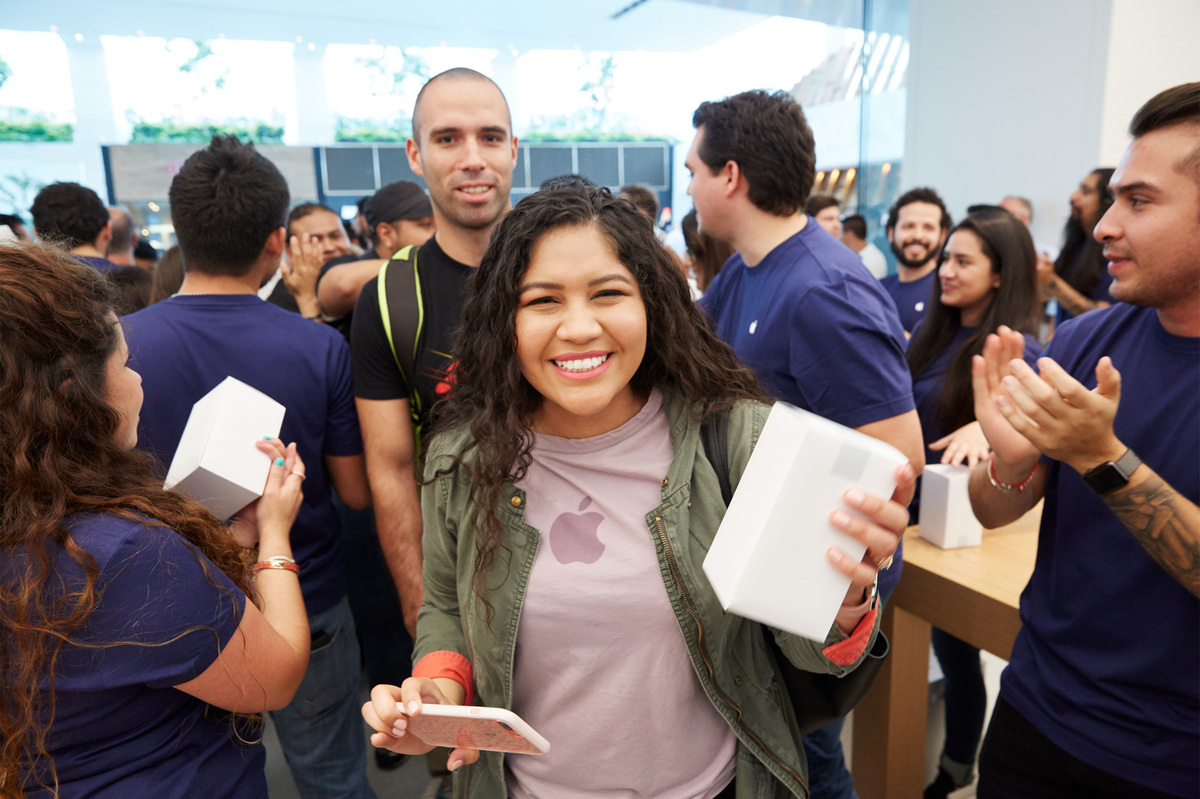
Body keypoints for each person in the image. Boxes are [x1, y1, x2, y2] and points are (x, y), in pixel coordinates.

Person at [360, 185, 913, 798]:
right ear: (504, 319)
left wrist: (842, 604)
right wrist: (438, 694)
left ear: (652, 302)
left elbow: (810, 659)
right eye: (543, 300)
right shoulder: (463, 458)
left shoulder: (736, 440)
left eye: (608, 294)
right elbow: (444, 605)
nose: (578, 327)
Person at [0, 242, 310, 798]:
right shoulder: (120, 557)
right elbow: (276, 673)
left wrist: (220, 542)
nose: (138, 382)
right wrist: (275, 532)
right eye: (125, 364)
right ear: (73, 400)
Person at [122, 136, 374, 799]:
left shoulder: (122, 349)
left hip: (170, 609)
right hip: (307, 594)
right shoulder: (319, 345)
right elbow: (353, 489)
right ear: (274, 243)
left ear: (179, 231)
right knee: (335, 778)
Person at [688, 89, 923, 799]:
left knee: (807, 759)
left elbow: (898, 454)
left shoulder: (822, 290)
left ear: (730, 176)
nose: (690, 186)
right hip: (758, 564)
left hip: (809, 582)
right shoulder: (745, 269)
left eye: (695, 169)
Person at [969, 83, 1199, 798]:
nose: (1102, 226)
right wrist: (1009, 462)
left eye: (1139, 201)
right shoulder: (1086, 338)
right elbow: (995, 509)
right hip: (1033, 711)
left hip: (1169, 761)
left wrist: (1102, 457)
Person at [903, 208, 1041, 799]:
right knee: (932, 645)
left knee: (957, 654)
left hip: (966, 525)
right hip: (913, 519)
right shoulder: (932, 334)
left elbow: (1025, 427)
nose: (946, 271)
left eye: (963, 260)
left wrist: (987, 430)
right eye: (946, 258)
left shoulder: (1016, 349)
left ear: (999, 273)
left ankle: (957, 764)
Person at [318, 180, 436, 337]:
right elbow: (343, 286)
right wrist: (425, 265)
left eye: (440, 224)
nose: (437, 233)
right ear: (387, 234)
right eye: (426, 225)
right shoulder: (350, 265)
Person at [1038, 168, 1115, 332]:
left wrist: (1052, 281)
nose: (1073, 197)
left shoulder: (1114, 253)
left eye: (1085, 191)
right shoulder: (1077, 243)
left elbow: (1105, 314)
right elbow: (1051, 300)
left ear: (1106, 201)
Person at [881, 188, 952, 333]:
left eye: (928, 227)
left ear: (942, 235)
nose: (918, 236)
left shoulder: (948, 292)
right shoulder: (877, 289)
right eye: (908, 226)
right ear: (891, 233)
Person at [841, 213, 887, 279]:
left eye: (842, 233)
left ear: (849, 234)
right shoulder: (860, 255)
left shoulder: (872, 261)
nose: (840, 238)